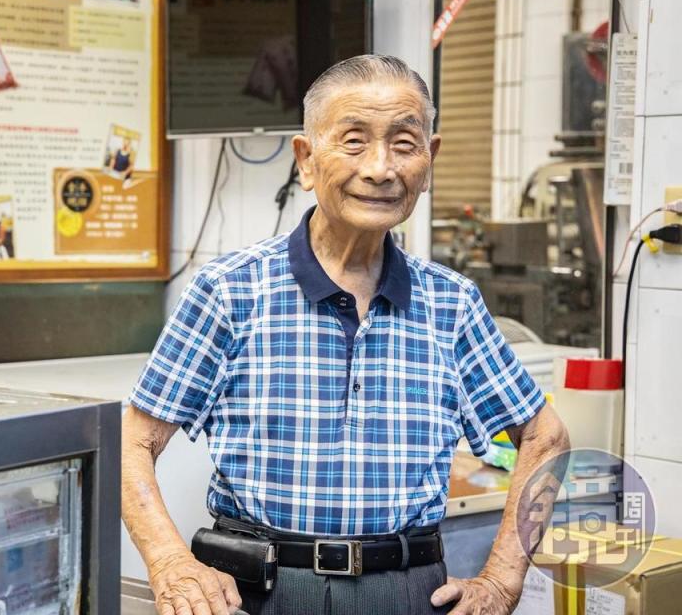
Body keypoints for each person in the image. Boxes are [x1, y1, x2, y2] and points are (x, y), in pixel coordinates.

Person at [121, 54, 570, 615]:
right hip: (264, 593)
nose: (380, 168)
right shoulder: (231, 291)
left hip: (410, 590)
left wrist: (502, 581)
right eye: (354, 141)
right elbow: (133, 444)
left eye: (404, 144)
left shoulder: (451, 303)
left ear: (429, 161)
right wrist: (168, 562)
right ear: (306, 160)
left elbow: (545, 438)